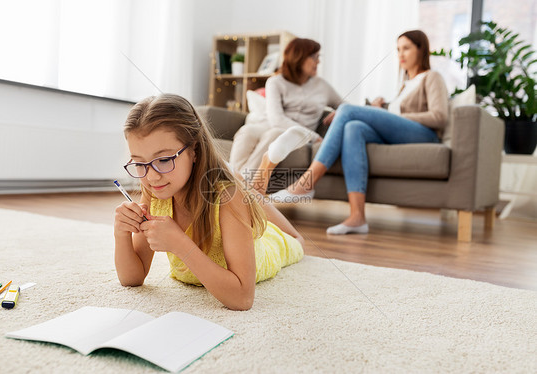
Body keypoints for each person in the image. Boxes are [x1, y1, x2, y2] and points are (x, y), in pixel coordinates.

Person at [113, 94, 304, 311]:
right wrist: (121, 234)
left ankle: (267, 162)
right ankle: (238, 175)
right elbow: (132, 279)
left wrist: (179, 244)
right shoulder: (155, 191)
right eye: (139, 163)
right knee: (238, 189)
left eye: (164, 160)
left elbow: (242, 299)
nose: (151, 177)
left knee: (297, 240)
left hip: (266, 246)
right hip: (230, 208)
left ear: (194, 150)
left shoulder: (227, 199)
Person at [271, 30, 449, 235]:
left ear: (421, 50)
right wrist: (382, 109)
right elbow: (396, 114)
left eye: (407, 48)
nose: (401, 54)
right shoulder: (404, 85)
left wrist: (395, 117)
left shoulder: (431, 77)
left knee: (345, 110)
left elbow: (439, 116)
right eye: (398, 49)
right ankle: (357, 217)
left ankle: (306, 183)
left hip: (424, 134)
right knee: (352, 128)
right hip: (400, 132)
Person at [229, 38, 342, 177]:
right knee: (246, 131)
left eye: (319, 57)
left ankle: (242, 188)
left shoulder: (322, 86)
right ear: (298, 58)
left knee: (275, 134)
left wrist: (339, 113)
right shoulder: (275, 82)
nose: (318, 61)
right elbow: (276, 119)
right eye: (314, 57)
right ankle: (230, 184)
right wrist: (315, 137)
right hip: (269, 127)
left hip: (298, 136)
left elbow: (346, 106)